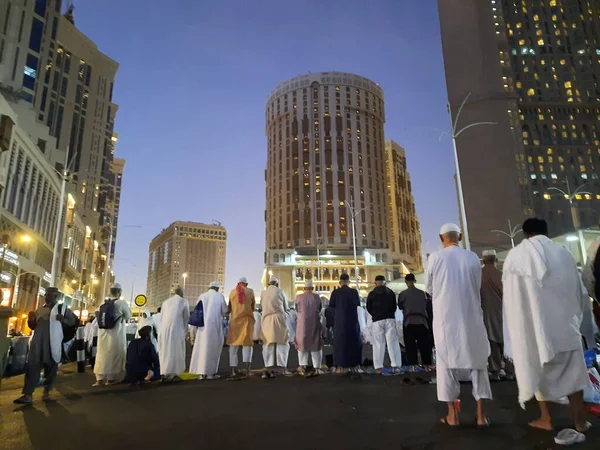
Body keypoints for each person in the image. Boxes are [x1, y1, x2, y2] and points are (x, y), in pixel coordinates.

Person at [503, 218, 591, 432]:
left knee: (538, 369)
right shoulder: (564, 253)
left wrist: (518, 329)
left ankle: (546, 419)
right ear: (546, 232)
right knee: (574, 375)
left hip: (535, 330)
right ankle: (580, 421)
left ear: (525, 234)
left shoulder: (515, 256)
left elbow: (512, 299)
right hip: (565, 327)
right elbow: (579, 291)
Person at [426, 223, 492, 427]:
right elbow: (477, 284)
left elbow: (429, 287)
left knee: (446, 365)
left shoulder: (435, 258)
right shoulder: (472, 257)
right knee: (478, 364)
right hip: (471, 315)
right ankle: (481, 416)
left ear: (441, 238)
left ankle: (452, 416)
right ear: (460, 236)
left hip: (446, 318)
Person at [14, 287, 76, 404]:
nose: (46, 297)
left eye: (49, 295)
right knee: (32, 367)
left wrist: (63, 320)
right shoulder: (39, 310)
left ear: (56, 296)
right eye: (46, 295)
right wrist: (30, 320)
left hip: (53, 344)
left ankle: (47, 392)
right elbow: (33, 326)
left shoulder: (62, 309)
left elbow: (72, 322)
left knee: (51, 369)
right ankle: (28, 395)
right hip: (37, 344)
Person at [94, 283, 132, 386]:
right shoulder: (121, 303)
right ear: (119, 292)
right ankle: (110, 379)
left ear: (110, 292)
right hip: (116, 333)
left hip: (103, 334)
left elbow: (97, 314)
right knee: (114, 354)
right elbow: (128, 316)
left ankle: (99, 379)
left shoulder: (103, 303)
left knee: (102, 354)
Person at [189, 282, 229, 380]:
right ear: (217, 288)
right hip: (214, 327)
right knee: (213, 350)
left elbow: (197, 310)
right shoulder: (219, 296)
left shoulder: (202, 296)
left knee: (201, 349)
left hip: (202, 328)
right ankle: (211, 373)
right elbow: (224, 311)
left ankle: (201, 373)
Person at [367, 275, 402, 374]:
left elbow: (368, 307)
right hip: (390, 319)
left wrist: (375, 314)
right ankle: (395, 366)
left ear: (375, 283)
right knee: (393, 343)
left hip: (377, 320)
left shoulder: (372, 294)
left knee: (378, 344)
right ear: (385, 282)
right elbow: (394, 306)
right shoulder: (390, 292)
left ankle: (378, 367)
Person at [480, 250, 506, 381]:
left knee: (491, 341)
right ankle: (508, 369)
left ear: (483, 261)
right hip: (504, 313)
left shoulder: (478, 275)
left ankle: (495, 369)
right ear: (496, 260)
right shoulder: (502, 275)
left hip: (485, 313)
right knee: (505, 340)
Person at [398, 273, 432, 371]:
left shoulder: (403, 294)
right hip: (422, 321)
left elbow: (400, 306)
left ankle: (413, 366)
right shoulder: (422, 293)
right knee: (425, 345)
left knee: (410, 345)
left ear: (406, 282)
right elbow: (426, 305)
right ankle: (426, 365)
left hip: (409, 321)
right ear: (415, 281)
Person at [329, 273, 362, 374]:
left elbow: (331, 306)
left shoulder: (335, 292)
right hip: (352, 321)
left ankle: (340, 366)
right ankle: (355, 365)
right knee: (354, 343)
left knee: (340, 344)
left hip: (339, 322)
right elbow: (358, 304)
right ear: (348, 282)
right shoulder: (354, 292)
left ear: (340, 282)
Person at [260, 277, 290, 378]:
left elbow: (261, 306)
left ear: (269, 284)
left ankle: (268, 367)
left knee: (268, 344)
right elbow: (286, 307)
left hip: (267, 319)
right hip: (279, 318)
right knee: (282, 342)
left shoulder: (263, 293)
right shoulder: (280, 291)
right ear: (277, 284)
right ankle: (282, 367)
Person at [158, 287, 190, 382]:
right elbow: (186, 318)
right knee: (176, 351)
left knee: (165, 351)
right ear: (181, 293)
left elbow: (162, 317)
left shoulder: (166, 302)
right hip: (176, 329)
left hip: (163, 330)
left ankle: (164, 373)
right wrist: (185, 332)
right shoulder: (183, 301)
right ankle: (175, 373)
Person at [227, 277, 256, 378]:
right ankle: (247, 370)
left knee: (233, 347)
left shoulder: (232, 292)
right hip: (246, 321)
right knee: (247, 346)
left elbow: (229, 308)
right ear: (246, 284)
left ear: (238, 283)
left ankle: (233, 370)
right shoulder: (250, 291)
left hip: (234, 322)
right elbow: (253, 307)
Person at [295, 280, 325, 376]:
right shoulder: (316, 297)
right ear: (312, 288)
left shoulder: (298, 297)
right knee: (315, 345)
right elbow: (319, 308)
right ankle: (316, 368)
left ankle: (302, 367)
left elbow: (297, 309)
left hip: (302, 324)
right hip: (314, 323)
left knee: (302, 345)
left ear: (304, 288)